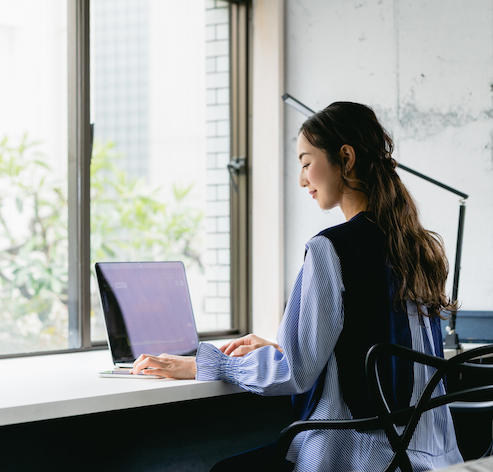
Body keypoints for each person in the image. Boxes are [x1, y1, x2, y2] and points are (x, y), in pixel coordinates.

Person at [131, 102, 464, 471]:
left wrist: (210, 365)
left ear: (346, 158)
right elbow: (375, 342)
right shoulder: (417, 247)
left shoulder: (331, 248)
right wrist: (285, 346)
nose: (303, 179)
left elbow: (295, 372)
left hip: (362, 455)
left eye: (306, 163)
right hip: (432, 457)